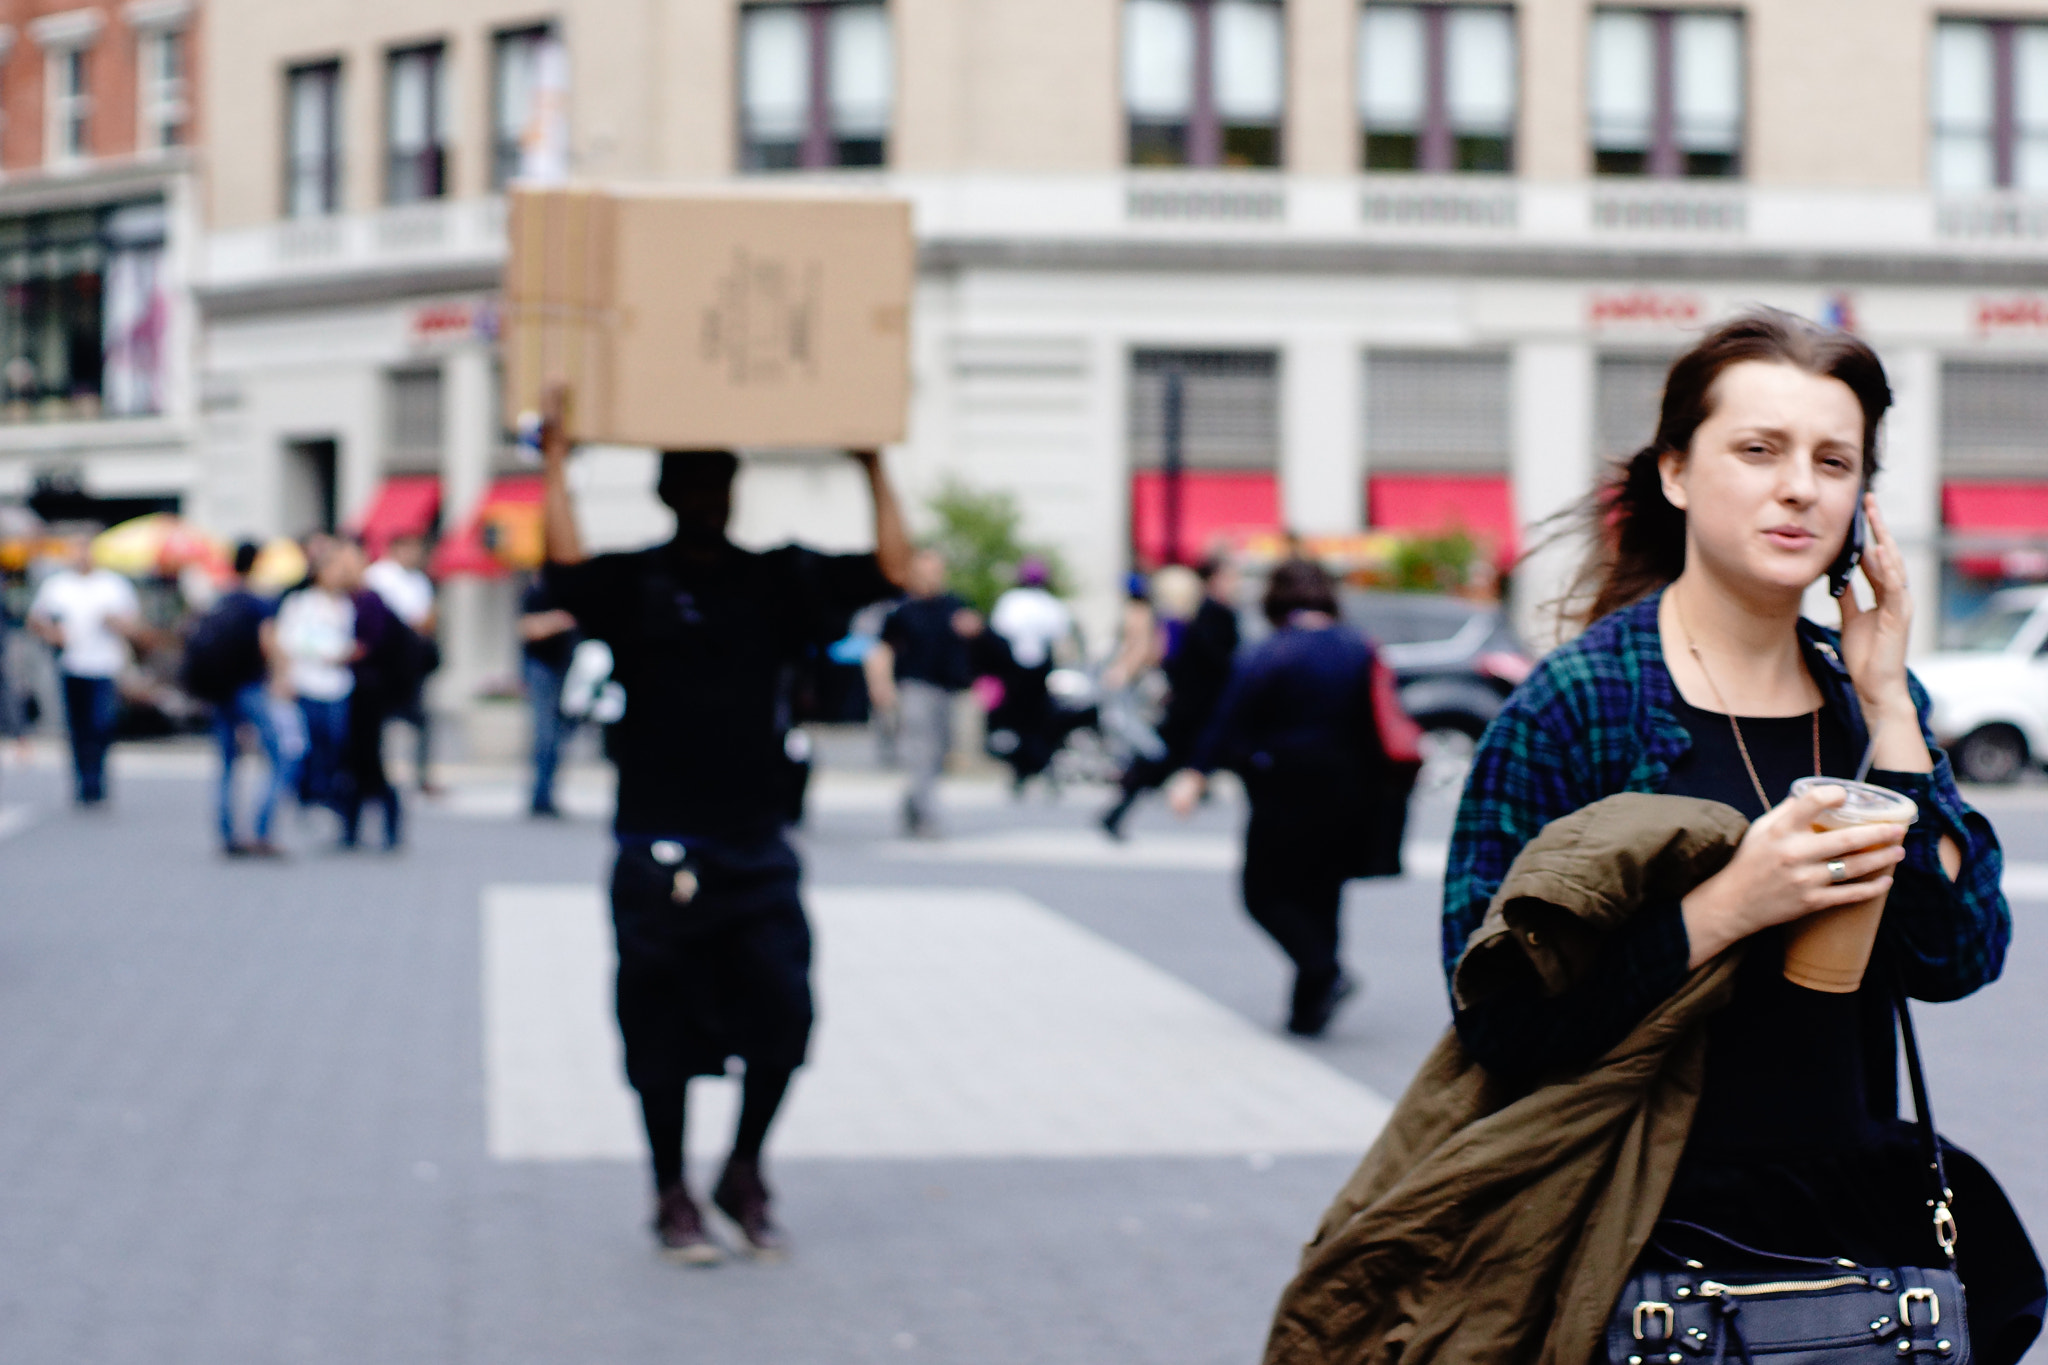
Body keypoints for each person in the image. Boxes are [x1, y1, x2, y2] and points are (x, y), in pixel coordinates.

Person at [1421, 312, 2036, 1360]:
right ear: (1673, 474)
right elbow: (1498, 1023)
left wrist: (1888, 707)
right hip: (1631, 1246)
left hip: (1842, 1266)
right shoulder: (1575, 708)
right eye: (1757, 449)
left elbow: (1955, 957)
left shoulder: (1863, 698)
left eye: (1830, 460)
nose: (1796, 485)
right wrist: (1725, 909)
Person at [537, 385, 911, 1264]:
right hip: (657, 845)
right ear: (671, 494)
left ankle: (743, 1169)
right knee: (657, 1033)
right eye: (693, 487)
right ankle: (669, 1191)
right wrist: (556, 463)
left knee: (784, 1016)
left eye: (721, 486)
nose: (709, 501)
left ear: (736, 492)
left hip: (757, 843)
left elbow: (892, 571)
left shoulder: (779, 576)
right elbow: (563, 567)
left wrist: (871, 463)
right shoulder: (634, 582)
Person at [1166, 559, 1400, 1037]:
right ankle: (1308, 1008)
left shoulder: (1273, 651)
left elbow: (1229, 717)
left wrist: (1195, 773)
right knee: (1323, 893)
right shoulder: (1360, 647)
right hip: (1351, 789)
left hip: (1282, 789)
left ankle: (1322, 972)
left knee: (1263, 893)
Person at [1102, 555, 1241, 839]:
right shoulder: (1208, 614)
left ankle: (1119, 809)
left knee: (1166, 760)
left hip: (1194, 703)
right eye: (1230, 576)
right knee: (1164, 760)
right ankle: (1118, 809)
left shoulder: (1195, 614)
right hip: (1201, 705)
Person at [865, 548, 982, 837]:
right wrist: (881, 685)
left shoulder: (955, 606)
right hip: (915, 688)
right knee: (921, 751)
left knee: (939, 753)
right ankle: (928, 816)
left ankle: (912, 805)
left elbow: (979, 645)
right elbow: (882, 650)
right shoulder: (902, 609)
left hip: (949, 689)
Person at [184, 541, 288, 855]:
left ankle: (228, 834)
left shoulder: (220, 599)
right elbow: (267, 643)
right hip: (250, 686)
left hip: (221, 689)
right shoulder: (258, 602)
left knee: (228, 762)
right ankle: (261, 830)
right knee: (280, 756)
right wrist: (280, 676)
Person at [26, 533, 142, 806]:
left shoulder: (113, 585)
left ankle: (97, 777)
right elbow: (36, 620)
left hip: (104, 665)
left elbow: (134, 625)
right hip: (71, 664)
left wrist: (116, 623)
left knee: (101, 724)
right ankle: (84, 782)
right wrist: (52, 633)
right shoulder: (57, 586)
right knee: (78, 727)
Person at [274, 541, 358, 817]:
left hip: (337, 684)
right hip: (308, 681)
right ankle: (309, 793)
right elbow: (288, 640)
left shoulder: (346, 605)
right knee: (310, 743)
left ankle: (328, 792)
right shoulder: (301, 603)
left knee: (335, 741)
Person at [985, 558, 1074, 793]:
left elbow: (999, 632)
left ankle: (1023, 771)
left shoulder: (1011, 602)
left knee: (1020, 724)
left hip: (1017, 671)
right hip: (1038, 671)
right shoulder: (1050, 604)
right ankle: (1038, 769)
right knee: (1039, 724)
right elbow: (1061, 638)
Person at [363, 531, 440, 794]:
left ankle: (420, 774)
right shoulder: (379, 576)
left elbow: (428, 617)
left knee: (420, 719)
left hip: (413, 658)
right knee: (381, 720)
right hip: (388, 660)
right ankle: (378, 774)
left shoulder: (419, 580)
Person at [343, 546, 408, 849]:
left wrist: (341, 654)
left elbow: (370, 644)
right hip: (360, 689)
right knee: (356, 760)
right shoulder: (352, 599)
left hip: (370, 690)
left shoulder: (369, 601)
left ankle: (387, 823)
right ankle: (353, 827)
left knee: (368, 759)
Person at [518, 573, 581, 818]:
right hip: (542, 667)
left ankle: (548, 792)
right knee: (545, 734)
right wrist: (559, 621)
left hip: (568, 666)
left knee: (561, 734)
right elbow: (527, 628)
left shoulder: (571, 591)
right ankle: (540, 794)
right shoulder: (536, 592)